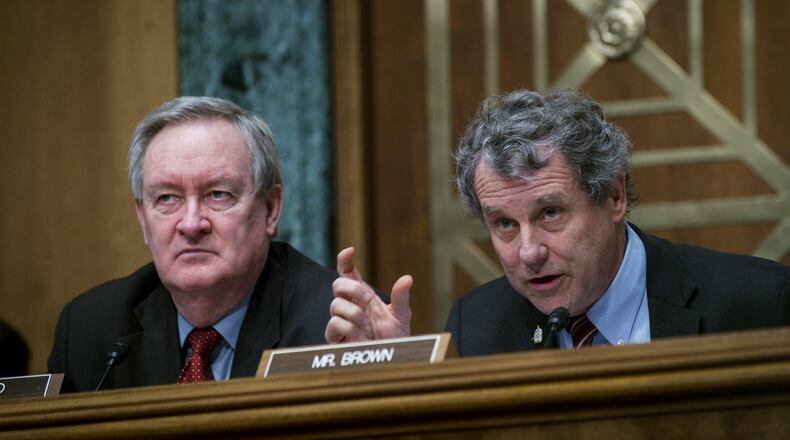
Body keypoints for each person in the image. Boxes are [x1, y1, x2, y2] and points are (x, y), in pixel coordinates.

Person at [325, 89, 790, 356]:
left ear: (613, 195)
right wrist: (402, 380)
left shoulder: (760, 305)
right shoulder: (477, 329)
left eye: (550, 213)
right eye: (504, 224)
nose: (528, 252)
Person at [48, 97, 337, 391]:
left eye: (218, 194)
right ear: (143, 220)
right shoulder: (89, 330)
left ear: (271, 209)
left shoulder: (337, 325)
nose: (191, 224)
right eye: (167, 198)